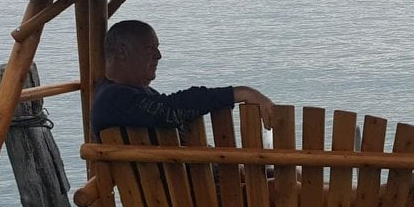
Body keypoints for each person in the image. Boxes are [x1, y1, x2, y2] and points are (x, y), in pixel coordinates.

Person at [91, 19, 276, 136]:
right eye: (149, 48)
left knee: (293, 179)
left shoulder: (129, 96)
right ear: (122, 52)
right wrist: (241, 93)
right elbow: (171, 111)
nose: (158, 55)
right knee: (294, 188)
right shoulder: (113, 99)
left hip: (193, 188)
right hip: (182, 196)